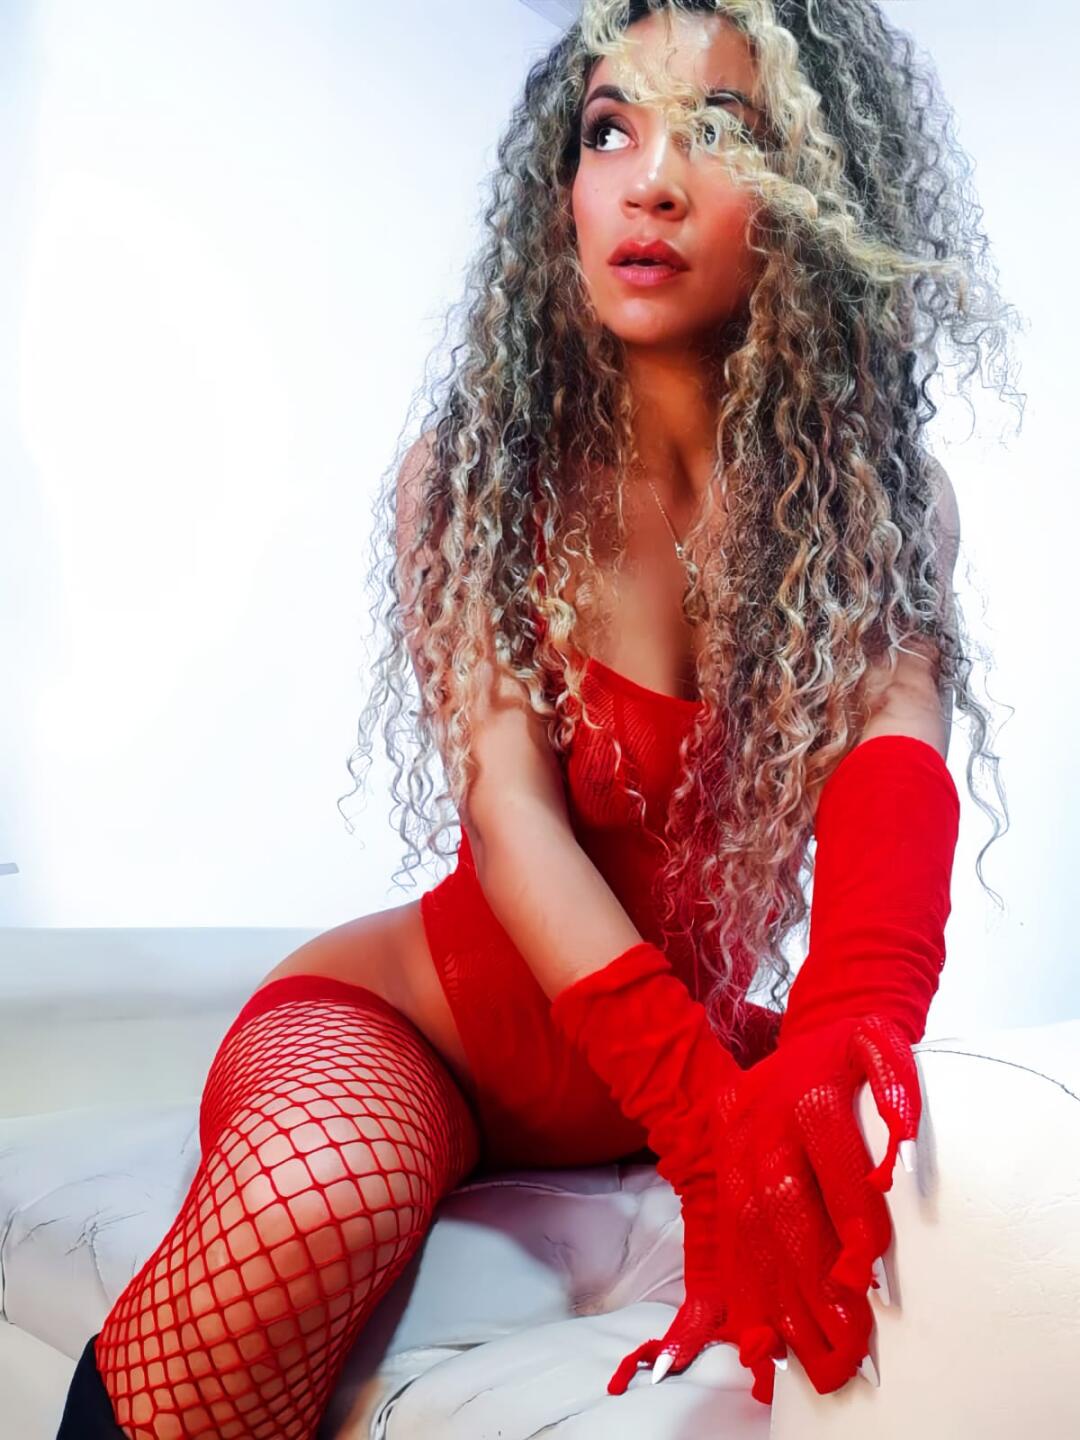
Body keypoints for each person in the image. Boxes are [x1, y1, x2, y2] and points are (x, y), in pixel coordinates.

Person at [57, 0, 1019, 1434]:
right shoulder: (476, 476)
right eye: (609, 131)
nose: (652, 182)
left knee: (973, 1205)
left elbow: (897, 750)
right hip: (418, 1039)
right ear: (557, 189)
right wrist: (706, 1137)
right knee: (310, 1207)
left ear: (820, 194)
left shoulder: (880, 505)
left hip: (707, 1053)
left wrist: (843, 1037)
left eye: (721, 131)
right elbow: (510, 821)